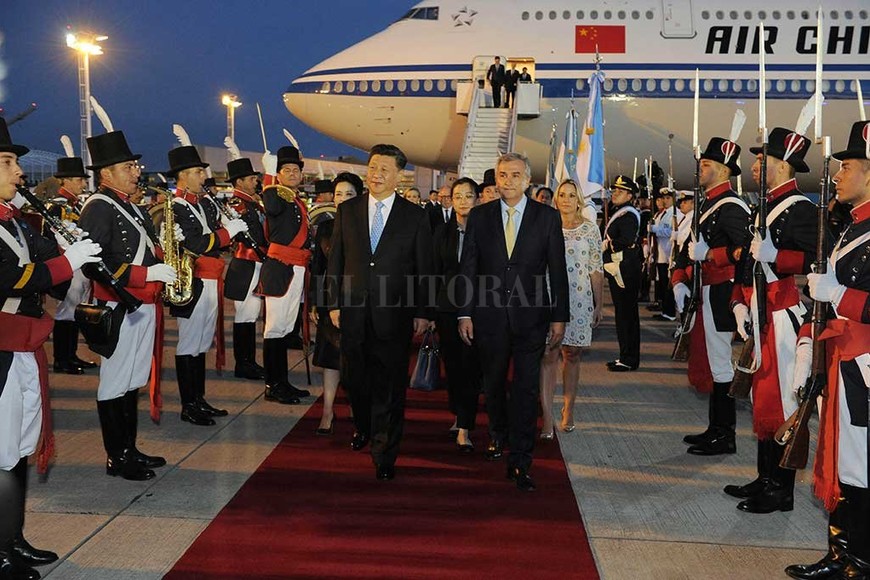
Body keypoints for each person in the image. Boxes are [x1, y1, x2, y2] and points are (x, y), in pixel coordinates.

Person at [0, 118, 102, 579]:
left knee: (18, 448)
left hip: (23, 344)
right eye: (7, 163)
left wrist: (65, 242)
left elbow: (43, 254)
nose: (19, 172)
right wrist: (66, 262)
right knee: (1, 452)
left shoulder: (14, 220)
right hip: (2, 350)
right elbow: (17, 278)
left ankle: (12, 539)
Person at [785, 120, 870, 580]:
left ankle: (858, 560)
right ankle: (843, 554)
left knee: (859, 463)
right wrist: (807, 342)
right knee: (844, 459)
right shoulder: (851, 225)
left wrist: (838, 295)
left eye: (848, 166)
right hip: (841, 360)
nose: (838, 175)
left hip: (864, 365)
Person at [458, 152, 569, 492]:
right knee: (492, 383)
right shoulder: (479, 216)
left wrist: (559, 317)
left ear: (527, 179)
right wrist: (464, 311)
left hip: (531, 317)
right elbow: (469, 267)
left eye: (515, 175)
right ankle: (497, 434)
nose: (507, 180)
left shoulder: (547, 218)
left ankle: (521, 459)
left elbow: (557, 270)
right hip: (488, 315)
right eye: (502, 175)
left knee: (524, 388)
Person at [724, 127, 818, 514]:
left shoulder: (801, 208)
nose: (754, 164)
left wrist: (778, 256)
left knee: (781, 403)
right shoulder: (765, 204)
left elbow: (820, 260)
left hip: (782, 318)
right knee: (762, 399)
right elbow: (748, 263)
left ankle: (781, 490)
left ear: (782, 165)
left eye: (763, 159)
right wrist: (739, 303)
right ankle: (765, 478)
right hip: (760, 313)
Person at [326, 144, 434, 481]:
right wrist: (331, 303)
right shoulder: (348, 211)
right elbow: (336, 261)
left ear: (399, 175)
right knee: (354, 379)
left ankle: (385, 451)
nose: (376, 174)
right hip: (352, 310)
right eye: (373, 167)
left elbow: (424, 269)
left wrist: (423, 311)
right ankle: (366, 425)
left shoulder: (414, 216)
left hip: (395, 313)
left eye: (384, 169)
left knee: (390, 384)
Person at [79, 128, 175, 480]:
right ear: (106, 172)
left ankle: (129, 448)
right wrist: (142, 275)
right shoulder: (99, 206)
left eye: (135, 165)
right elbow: (93, 262)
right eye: (128, 166)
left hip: (142, 304)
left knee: (131, 381)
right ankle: (115, 456)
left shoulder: (128, 205)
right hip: (119, 307)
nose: (137, 171)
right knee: (114, 382)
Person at [672, 136, 751, 456]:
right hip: (705, 290)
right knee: (714, 361)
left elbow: (745, 252)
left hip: (721, 292)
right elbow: (685, 250)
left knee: (721, 365)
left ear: (723, 171)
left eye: (706, 165)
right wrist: (679, 280)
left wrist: (712, 254)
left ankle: (725, 434)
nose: (700, 169)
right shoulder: (706, 204)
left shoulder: (731, 206)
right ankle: (715, 428)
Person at [167, 145, 247, 426]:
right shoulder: (176, 207)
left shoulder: (200, 203)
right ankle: (188, 404)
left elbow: (211, 236)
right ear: (182, 176)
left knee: (201, 342)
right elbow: (197, 244)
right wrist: (227, 232)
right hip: (193, 281)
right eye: (198, 172)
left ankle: (199, 399)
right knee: (189, 342)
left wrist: (227, 224)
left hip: (211, 278)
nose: (204, 176)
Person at [539, 180, 604, 437]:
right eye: (562, 195)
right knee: (548, 354)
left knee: (572, 355)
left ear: (579, 200)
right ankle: (546, 418)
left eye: (571, 195)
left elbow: (595, 268)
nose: (566, 199)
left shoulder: (590, 230)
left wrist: (599, 303)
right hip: (550, 297)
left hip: (579, 298)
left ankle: (568, 409)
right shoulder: (545, 226)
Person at [259, 146, 312, 405]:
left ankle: (282, 382)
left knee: (285, 329)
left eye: (296, 170)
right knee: (274, 329)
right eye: (286, 170)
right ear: (279, 175)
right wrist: (268, 175)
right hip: (281, 268)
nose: (292, 174)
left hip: (296, 268)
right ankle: (273, 384)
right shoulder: (277, 195)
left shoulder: (295, 199)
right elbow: (270, 207)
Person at [310, 172, 362, 435]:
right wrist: (314, 304)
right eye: (339, 194)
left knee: (355, 359)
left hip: (357, 301)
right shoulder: (325, 227)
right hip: (329, 302)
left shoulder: (365, 228)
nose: (343, 199)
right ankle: (328, 410)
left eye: (349, 194)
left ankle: (357, 407)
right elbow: (317, 269)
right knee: (331, 360)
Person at [432, 177, 481, 452]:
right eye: (458, 196)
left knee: (471, 366)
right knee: (452, 366)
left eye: (468, 196)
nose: (463, 201)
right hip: (447, 308)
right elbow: (433, 272)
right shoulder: (440, 232)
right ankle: (457, 411)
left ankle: (465, 425)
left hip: (477, 308)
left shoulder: (486, 231)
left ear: (477, 199)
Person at [49, 152, 99, 374]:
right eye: (79, 179)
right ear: (65, 181)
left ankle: (71, 355)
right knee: (66, 312)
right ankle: (61, 359)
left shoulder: (75, 205)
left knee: (76, 310)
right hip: (70, 266)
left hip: (81, 267)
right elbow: (53, 239)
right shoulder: (57, 207)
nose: (83, 183)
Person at [222, 156, 267, 381]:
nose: (255, 182)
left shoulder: (252, 202)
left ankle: (249, 361)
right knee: (245, 315)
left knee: (251, 314)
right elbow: (248, 235)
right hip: (246, 264)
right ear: (239, 182)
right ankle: (244, 363)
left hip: (255, 263)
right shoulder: (237, 204)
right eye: (251, 178)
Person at [602, 175, 642, 372]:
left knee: (626, 316)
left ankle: (629, 358)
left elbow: (626, 239)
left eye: (619, 191)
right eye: (614, 190)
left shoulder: (628, 214)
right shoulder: (619, 212)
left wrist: (606, 245)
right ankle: (625, 355)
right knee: (623, 315)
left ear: (629, 195)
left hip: (624, 270)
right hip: (619, 269)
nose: (614, 194)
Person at [650, 188, 677, 321]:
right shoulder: (663, 213)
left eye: (668, 198)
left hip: (667, 254)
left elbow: (671, 232)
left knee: (668, 285)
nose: (665, 201)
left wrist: (655, 229)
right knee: (662, 283)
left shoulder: (674, 214)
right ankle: (665, 309)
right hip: (661, 254)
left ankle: (669, 312)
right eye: (664, 198)